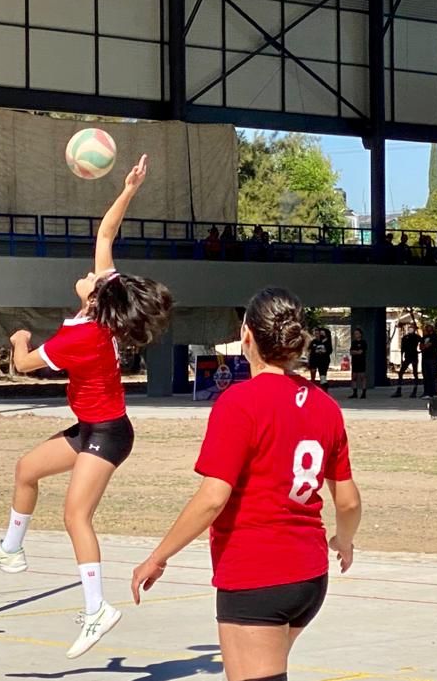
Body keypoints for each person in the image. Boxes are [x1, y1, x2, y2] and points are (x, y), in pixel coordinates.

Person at [0, 155, 174, 659]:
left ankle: (97, 609)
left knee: (75, 514)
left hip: (109, 433)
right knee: (26, 469)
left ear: (94, 298)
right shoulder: (101, 305)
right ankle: (11, 551)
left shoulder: (82, 335)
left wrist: (18, 340)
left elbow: (24, 365)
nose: (87, 274)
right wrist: (129, 188)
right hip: (90, 427)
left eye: (91, 278)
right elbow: (105, 234)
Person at [130, 288, 362, 681]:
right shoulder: (325, 405)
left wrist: (158, 557)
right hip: (309, 577)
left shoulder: (240, 402)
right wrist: (344, 540)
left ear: (246, 335)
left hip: (258, 575)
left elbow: (212, 498)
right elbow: (349, 501)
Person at [392, 323, 421, 398]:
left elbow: (422, 342)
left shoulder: (417, 337)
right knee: (401, 372)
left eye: (412, 328)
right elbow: (402, 348)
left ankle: (414, 391)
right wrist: (401, 358)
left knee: (415, 373)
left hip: (414, 356)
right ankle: (399, 390)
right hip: (407, 357)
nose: (410, 329)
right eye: (410, 328)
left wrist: (420, 350)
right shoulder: (405, 337)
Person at [420, 323, 437, 398]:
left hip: (433, 358)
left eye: (429, 327)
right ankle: (427, 393)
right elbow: (421, 346)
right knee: (426, 376)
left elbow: (429, 345)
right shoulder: (424, 337)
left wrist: (425, 346)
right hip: (425, 358)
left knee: (433, 375)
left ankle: (435, 393)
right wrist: (424, 346)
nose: (428, 329)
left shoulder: (435, 336)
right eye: (427, 327)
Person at [348, 328, 367, 399]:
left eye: (357, 333)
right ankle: (355, 393)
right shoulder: (353, 342)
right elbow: (351, 352)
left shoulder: (363, 342)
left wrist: (355, 352)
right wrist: (356, 352)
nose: (356, 335)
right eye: (355, 334)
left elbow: (361, 352)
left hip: (361, 361)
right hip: (354, 361)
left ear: (360, 334)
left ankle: (364, 392)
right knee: (354, 377)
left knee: (362, 377)